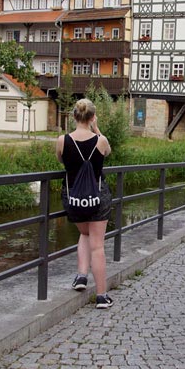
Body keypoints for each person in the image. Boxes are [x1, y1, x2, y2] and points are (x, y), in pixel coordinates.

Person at [56, 98, 113, 309]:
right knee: (97, 246)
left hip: (74, 197)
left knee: (84, 233)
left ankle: (81, 276)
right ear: (92, 117)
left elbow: (61, 161)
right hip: (98, 196)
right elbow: (107, 153)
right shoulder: (101, 140)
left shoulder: (63, 140)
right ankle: (101, 296)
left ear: (73, 116)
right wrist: (97, 130)